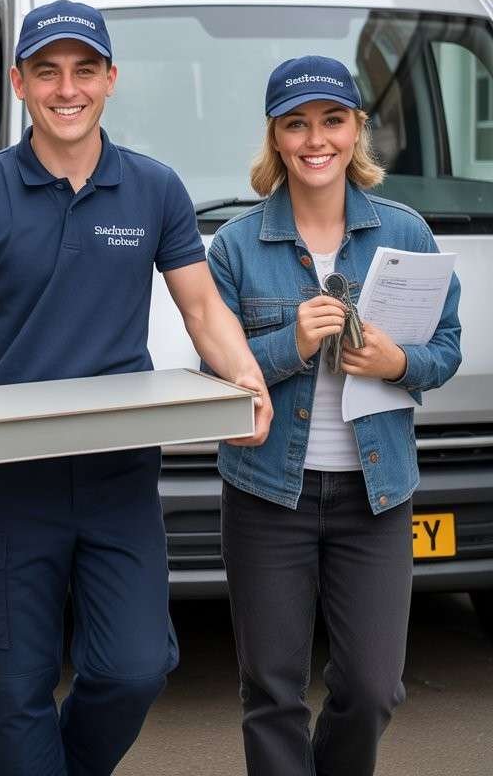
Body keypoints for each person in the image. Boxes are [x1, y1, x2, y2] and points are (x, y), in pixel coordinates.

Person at [0, 0, 272, 776]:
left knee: (134, 668)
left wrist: (244, 375)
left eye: (82, 70)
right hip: (7, 481)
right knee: (15, 686)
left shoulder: (153, 189)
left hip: (116, 475)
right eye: (47, 72)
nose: (65, 89)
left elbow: (202, 306)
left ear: (111, 79)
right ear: (20, 82)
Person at [206, 55, 462, 776]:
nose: (315, 139)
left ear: (356, 131)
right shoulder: (235, 246)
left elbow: (445, 347)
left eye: (332, 120)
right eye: (297, 124)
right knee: (272, 689)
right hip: (265, 497)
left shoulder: (406, 234)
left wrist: (398, 365)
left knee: (373, 688)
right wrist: (290, 343)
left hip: (375, 498)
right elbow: (215, 375)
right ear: (276, 139)